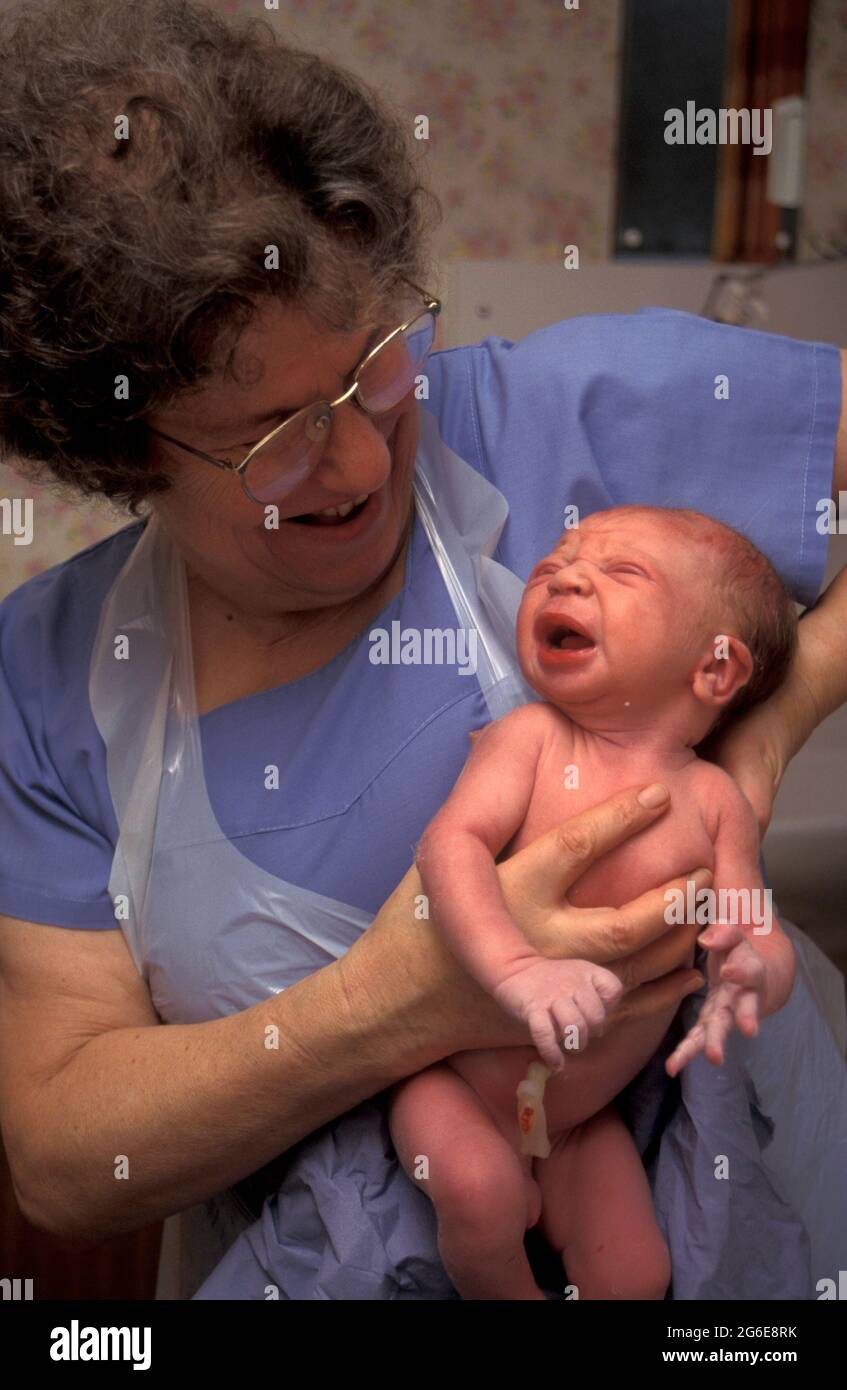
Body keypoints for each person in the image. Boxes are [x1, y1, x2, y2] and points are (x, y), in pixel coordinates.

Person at [0, 0, 844, 1300]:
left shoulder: (565, 421)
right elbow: (62, 1153)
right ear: (120, 453)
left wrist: (770, 722)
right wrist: (396, 1002)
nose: (354, 455)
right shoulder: (55, 675)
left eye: (375, 364)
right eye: (271, 430)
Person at [391, 506, 797, 1300]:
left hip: (577, 1125)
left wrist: (755, 972)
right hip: (455, 1089)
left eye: (621, 573)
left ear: (715, 668)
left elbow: (757, 931)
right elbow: (450, 847)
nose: (563, 574)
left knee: (636, 1273)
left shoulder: (715, 802)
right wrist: (517, 971)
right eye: (554, 562)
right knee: (480, 1192)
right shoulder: (529, 741)